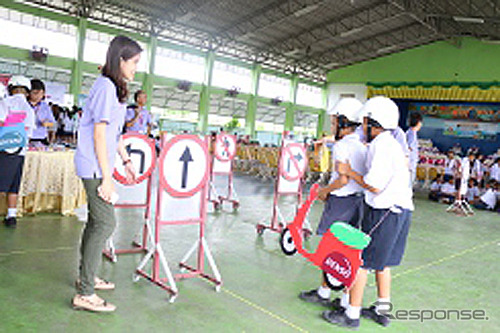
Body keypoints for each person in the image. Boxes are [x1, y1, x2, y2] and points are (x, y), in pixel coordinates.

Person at [323, 96, 413, 328]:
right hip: (402, 211)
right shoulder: (391, 144)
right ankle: (382, 310)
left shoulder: (381, 146)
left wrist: (349, 171)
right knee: (383, 264)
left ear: (374, 123)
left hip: (384, 211)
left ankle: (351, 314)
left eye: (364, 123)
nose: (362, 128)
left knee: (360, 261)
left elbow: (374, 185)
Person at [72, 36, 142, 312]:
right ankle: (85, 293)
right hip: (93, 165)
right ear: (120, 60)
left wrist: (125, 160)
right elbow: (100, 134)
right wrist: (108, 178)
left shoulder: (114, 87)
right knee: (105, 223)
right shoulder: (105, 87)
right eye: (134, 62)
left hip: (99, 163)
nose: (136, 67)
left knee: (96, 222)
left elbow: (114, 133)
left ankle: (85, 277)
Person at [299, 97, 366, 309]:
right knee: (349, 250)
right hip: (358, 201)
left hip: (340, 200)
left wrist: (324, 191)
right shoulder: (362, 146)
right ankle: (345, 298)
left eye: (335, 120)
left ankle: (324, 292)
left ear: (344, 122)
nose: (333, 125)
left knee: (330, 248)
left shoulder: (342, 146)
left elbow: (342, 179)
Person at [0, 75, 35, 228]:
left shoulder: (5, 103)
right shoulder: (29, 109)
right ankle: (11, 216)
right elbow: (30, 134)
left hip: (4, 149)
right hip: (20, 152)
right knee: (14, 185)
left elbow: (1, 123)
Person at [28, 79, 55, 145]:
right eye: (35, 93)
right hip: (27, 138)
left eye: (41, 93)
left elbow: (53, 124)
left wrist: (47, 123)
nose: (39, 96)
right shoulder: (24, 105)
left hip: (41, 139)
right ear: (28, 92)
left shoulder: (45, 106)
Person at [406, 112, 423, 184]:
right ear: (418, 122)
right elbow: (408, 149)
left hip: (411, 165)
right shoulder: (411, 134)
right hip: (409, 166)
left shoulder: (410, 132)